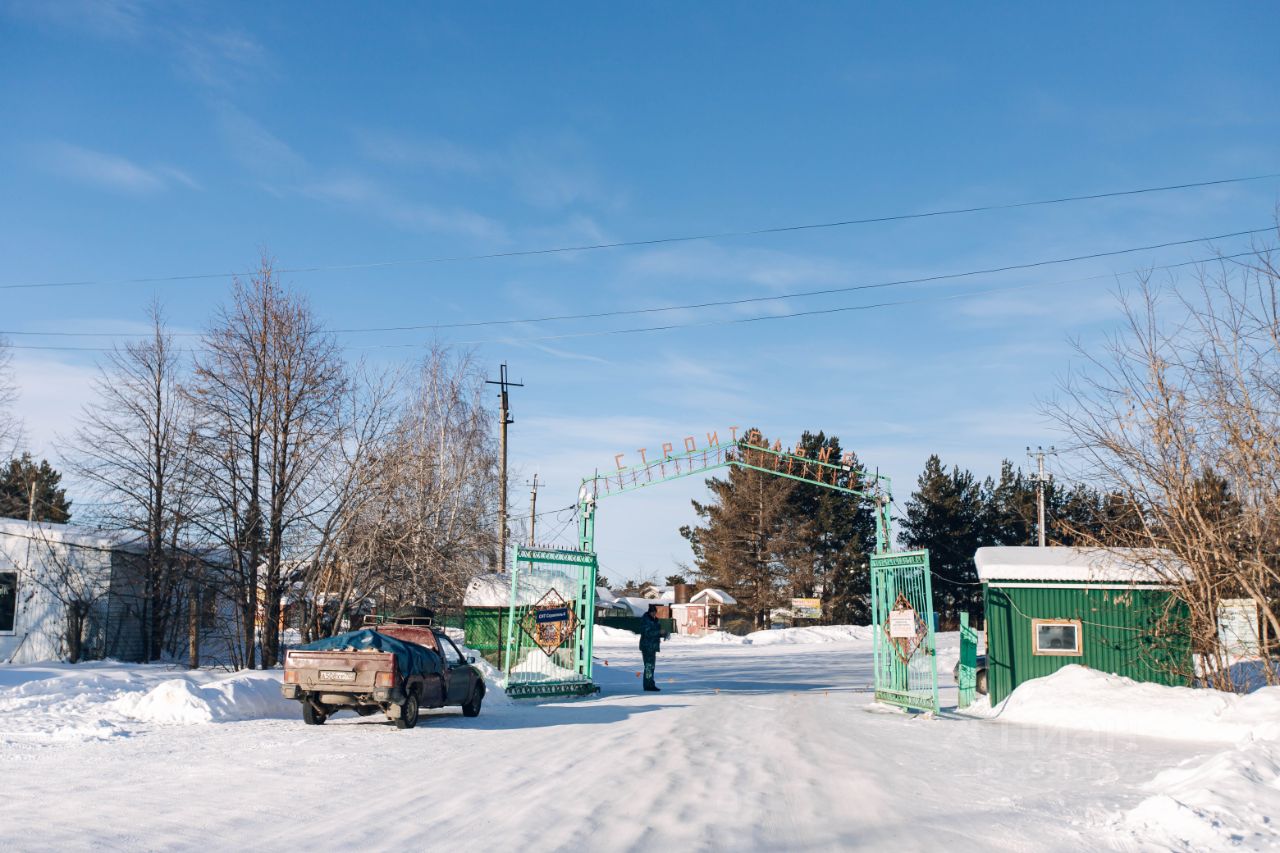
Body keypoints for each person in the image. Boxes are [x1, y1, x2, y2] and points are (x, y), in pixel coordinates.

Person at [639, 608, 662, 691]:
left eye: (655, 612)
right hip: (647, 646)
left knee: (651, 666)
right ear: (649, 612)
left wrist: (663, 633)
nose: (654, 614)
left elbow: (656, 631)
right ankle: (648, 685)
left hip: (653, 647)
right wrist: (659, 632)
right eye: (652, 612)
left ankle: (650, 684)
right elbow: (647, 633)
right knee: (648, 666)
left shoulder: (655, 620)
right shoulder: (645, 620)